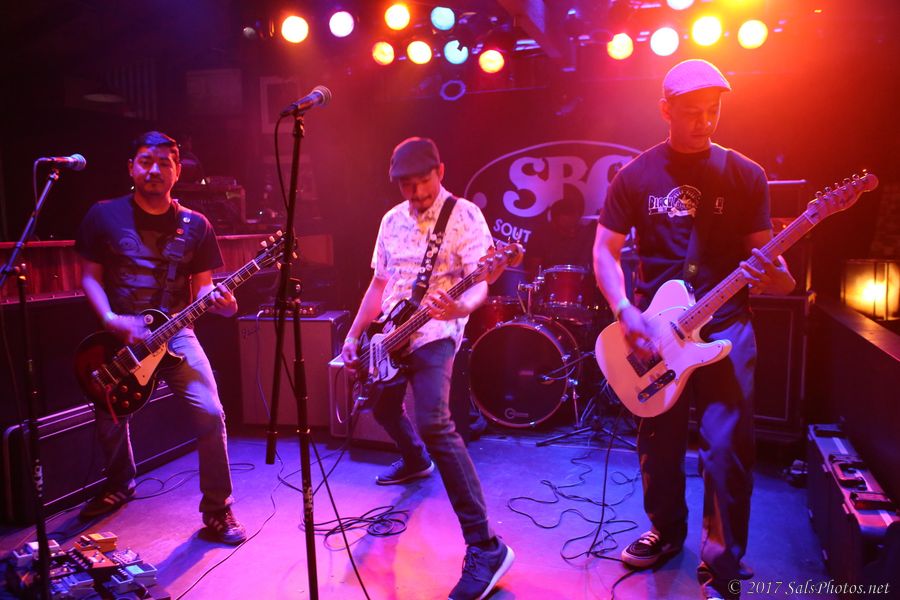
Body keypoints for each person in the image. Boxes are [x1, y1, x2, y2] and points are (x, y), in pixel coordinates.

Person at [592, 60, 795, 599]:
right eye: (691, 113)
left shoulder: (745, 174)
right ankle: (665, 531)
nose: (704, 123)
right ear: (665, 110)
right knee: (657, 443)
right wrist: (623, 309)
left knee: (727, 448)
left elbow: (772, 267)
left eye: (713, 111)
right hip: (656, 329)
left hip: (726, 326)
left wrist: (774, 273)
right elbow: (604, 250)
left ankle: (722, 561)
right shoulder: (635, 175)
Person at [341, 137, 514, 600]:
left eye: (423, 182)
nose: (416, 193)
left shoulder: (464, 216)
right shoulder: (390, 221)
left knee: (435, 422)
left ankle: (486, 546)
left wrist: (458, 308)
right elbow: (378, 285)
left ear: (441, 170)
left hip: (436, 332)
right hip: (389, 335)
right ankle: (416, 460)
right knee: (381, 407)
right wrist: (355, 335)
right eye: (407, 186)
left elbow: (481, 282)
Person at [75, 131, 246, 544]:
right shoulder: (103, 215)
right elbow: (89, 277)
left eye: (164, 163)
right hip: (121, 334)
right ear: (131, 167)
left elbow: (202, 289)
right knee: (111, 411)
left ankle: (217, 509)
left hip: (178, 332)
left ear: (177, 170)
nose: (154, 169)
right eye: (145, 161)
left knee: (211, 412)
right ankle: (119, 483)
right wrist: (112, 319)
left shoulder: (196, 225)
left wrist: (222, 303)